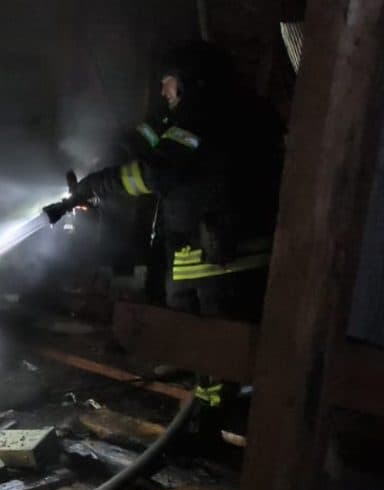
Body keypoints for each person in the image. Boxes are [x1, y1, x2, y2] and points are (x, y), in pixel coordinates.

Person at [71, 41, 285, 323]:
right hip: (243, 265)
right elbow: (149, 139)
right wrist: (110, 156)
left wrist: (95, 185)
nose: (163, 91)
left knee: (201, 345)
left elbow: (155, 173)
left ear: (187, 81)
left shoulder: (199, 117)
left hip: (211, 272)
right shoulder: (242, 110)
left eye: (167, 82)